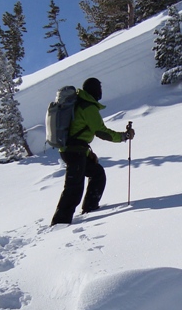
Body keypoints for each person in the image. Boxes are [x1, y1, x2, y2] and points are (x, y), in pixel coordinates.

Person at [51, 77, 135, 225]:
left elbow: (78, 130)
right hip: (74, 151)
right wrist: (124, 136)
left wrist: (88, 153)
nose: (100, 92)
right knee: (74, 187)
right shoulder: (87, 107)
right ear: (95, 91)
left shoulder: (81, 103)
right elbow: (101, 132)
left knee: (97, 173)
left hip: (75, 150)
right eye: (99, 89)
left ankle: (90, 207)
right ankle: (60, 223)